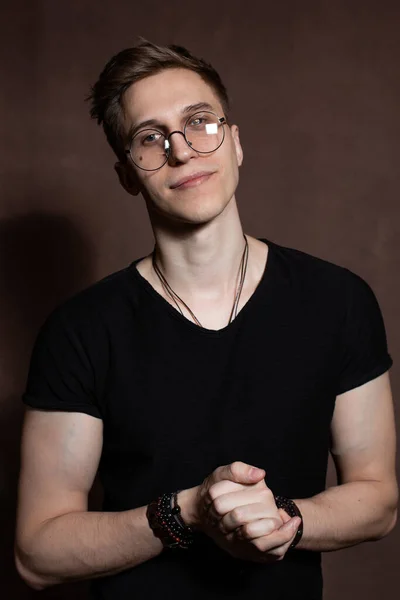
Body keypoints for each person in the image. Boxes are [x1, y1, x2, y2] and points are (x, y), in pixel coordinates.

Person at [15, 40, 397, 600]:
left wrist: (276, 520)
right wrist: (186, 513)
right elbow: (36, 554)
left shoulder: (338, 300)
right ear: (127, 174)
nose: (182, 151)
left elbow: (378, 499)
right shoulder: (81, 330)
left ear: (235, 142)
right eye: (150, 137)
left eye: (200, 123)